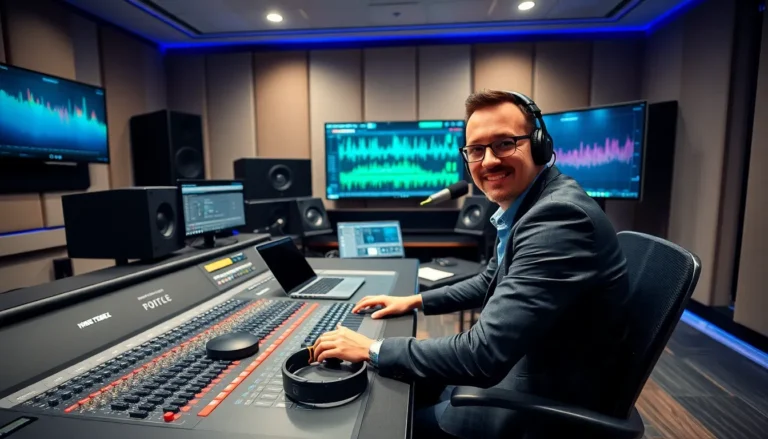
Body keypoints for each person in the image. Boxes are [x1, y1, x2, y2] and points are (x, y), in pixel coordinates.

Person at [310, 89, 631, 438]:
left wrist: (371, 348)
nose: (489, 161)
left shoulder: (557, 218)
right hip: (526, 370)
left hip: (538, 405)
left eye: (505, 143)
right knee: (392, 386)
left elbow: (482, 355)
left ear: (539, 144)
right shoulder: (534, 204)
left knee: (377, 421)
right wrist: (414, 300)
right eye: (476, 150)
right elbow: (489, 279)